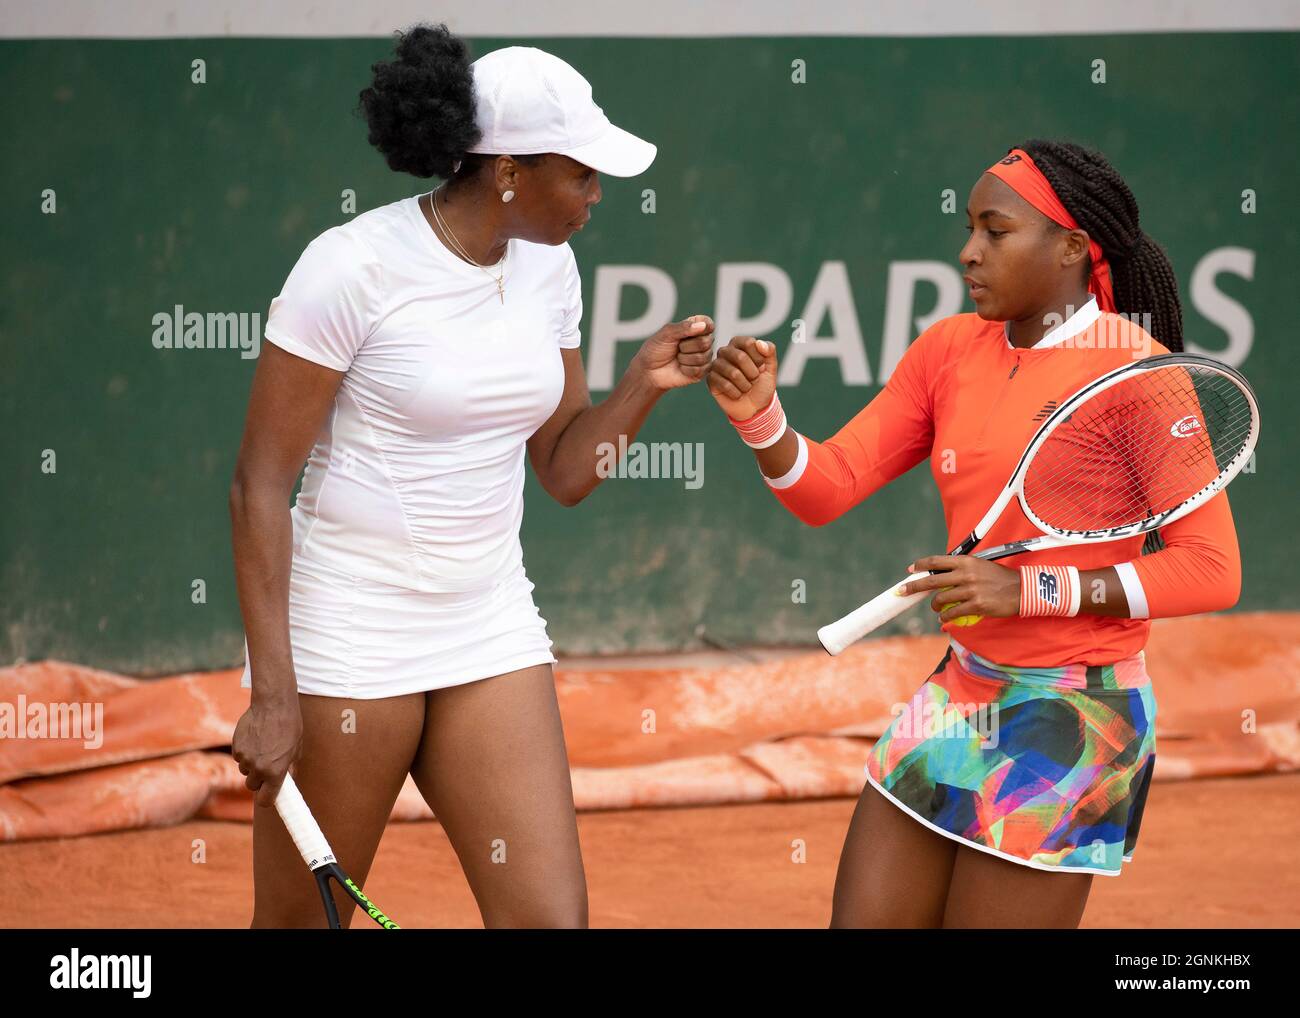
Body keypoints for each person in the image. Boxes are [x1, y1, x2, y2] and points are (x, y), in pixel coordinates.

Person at [229, 25, 714, 928]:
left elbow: (566, 470)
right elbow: (259, 486)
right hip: (350, 631)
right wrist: (272, 693)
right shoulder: (351, 269)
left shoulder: (552, 268)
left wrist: (643, 384)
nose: (596, 195)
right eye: (581, 173)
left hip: (487, 624)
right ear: (508, 172)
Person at [706, 140, 1240, 928]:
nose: (968, 252)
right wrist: (762, 421)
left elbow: (1212, 571)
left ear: (1070, 247)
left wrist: (1025, 588)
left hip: (1074, 715)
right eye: (970, 229)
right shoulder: (949, 350)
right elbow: (828, 488)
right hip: (961, 691)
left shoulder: (1144, 377)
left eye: (996, 231)